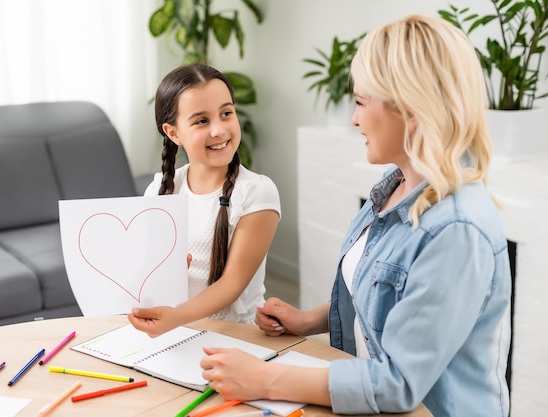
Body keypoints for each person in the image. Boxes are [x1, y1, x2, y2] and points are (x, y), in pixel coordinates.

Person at [199, 14, 511, 417]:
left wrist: (265, 379)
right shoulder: (393, 186)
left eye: (362, 102)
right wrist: (309, 320)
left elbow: (398, 384)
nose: (354, 118)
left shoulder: (455, 232)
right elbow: (389, 306)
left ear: (411, 110)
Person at [127, 63, 281, 337]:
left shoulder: (257, 192)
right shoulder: (159, 191)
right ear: (173, 133)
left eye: (226, 113)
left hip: (234, 338)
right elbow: (146, 273)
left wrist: (175, 317)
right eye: (201, 120)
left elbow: (232, 282)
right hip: (172, 332)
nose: (219, 130)